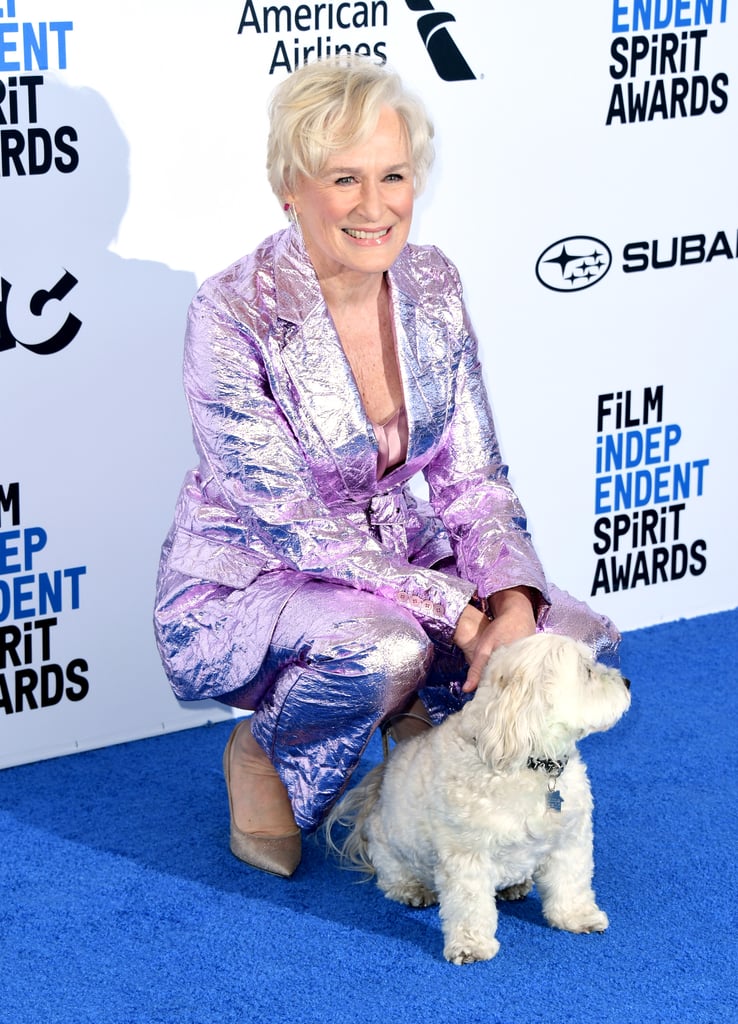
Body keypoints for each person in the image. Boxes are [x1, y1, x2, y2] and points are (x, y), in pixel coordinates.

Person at [153, 55, 620, 879]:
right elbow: (298, 526)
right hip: (261, 571)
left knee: (565, 636)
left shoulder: (434, 283)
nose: (375, 207)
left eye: (394, 174)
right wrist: (457, 613)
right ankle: (263, 753)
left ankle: (422, 747)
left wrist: (510, 602)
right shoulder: (229, 314)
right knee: (386, 651)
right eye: (344, 179)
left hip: (399, 553)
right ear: (290, 187)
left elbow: (473, 480)